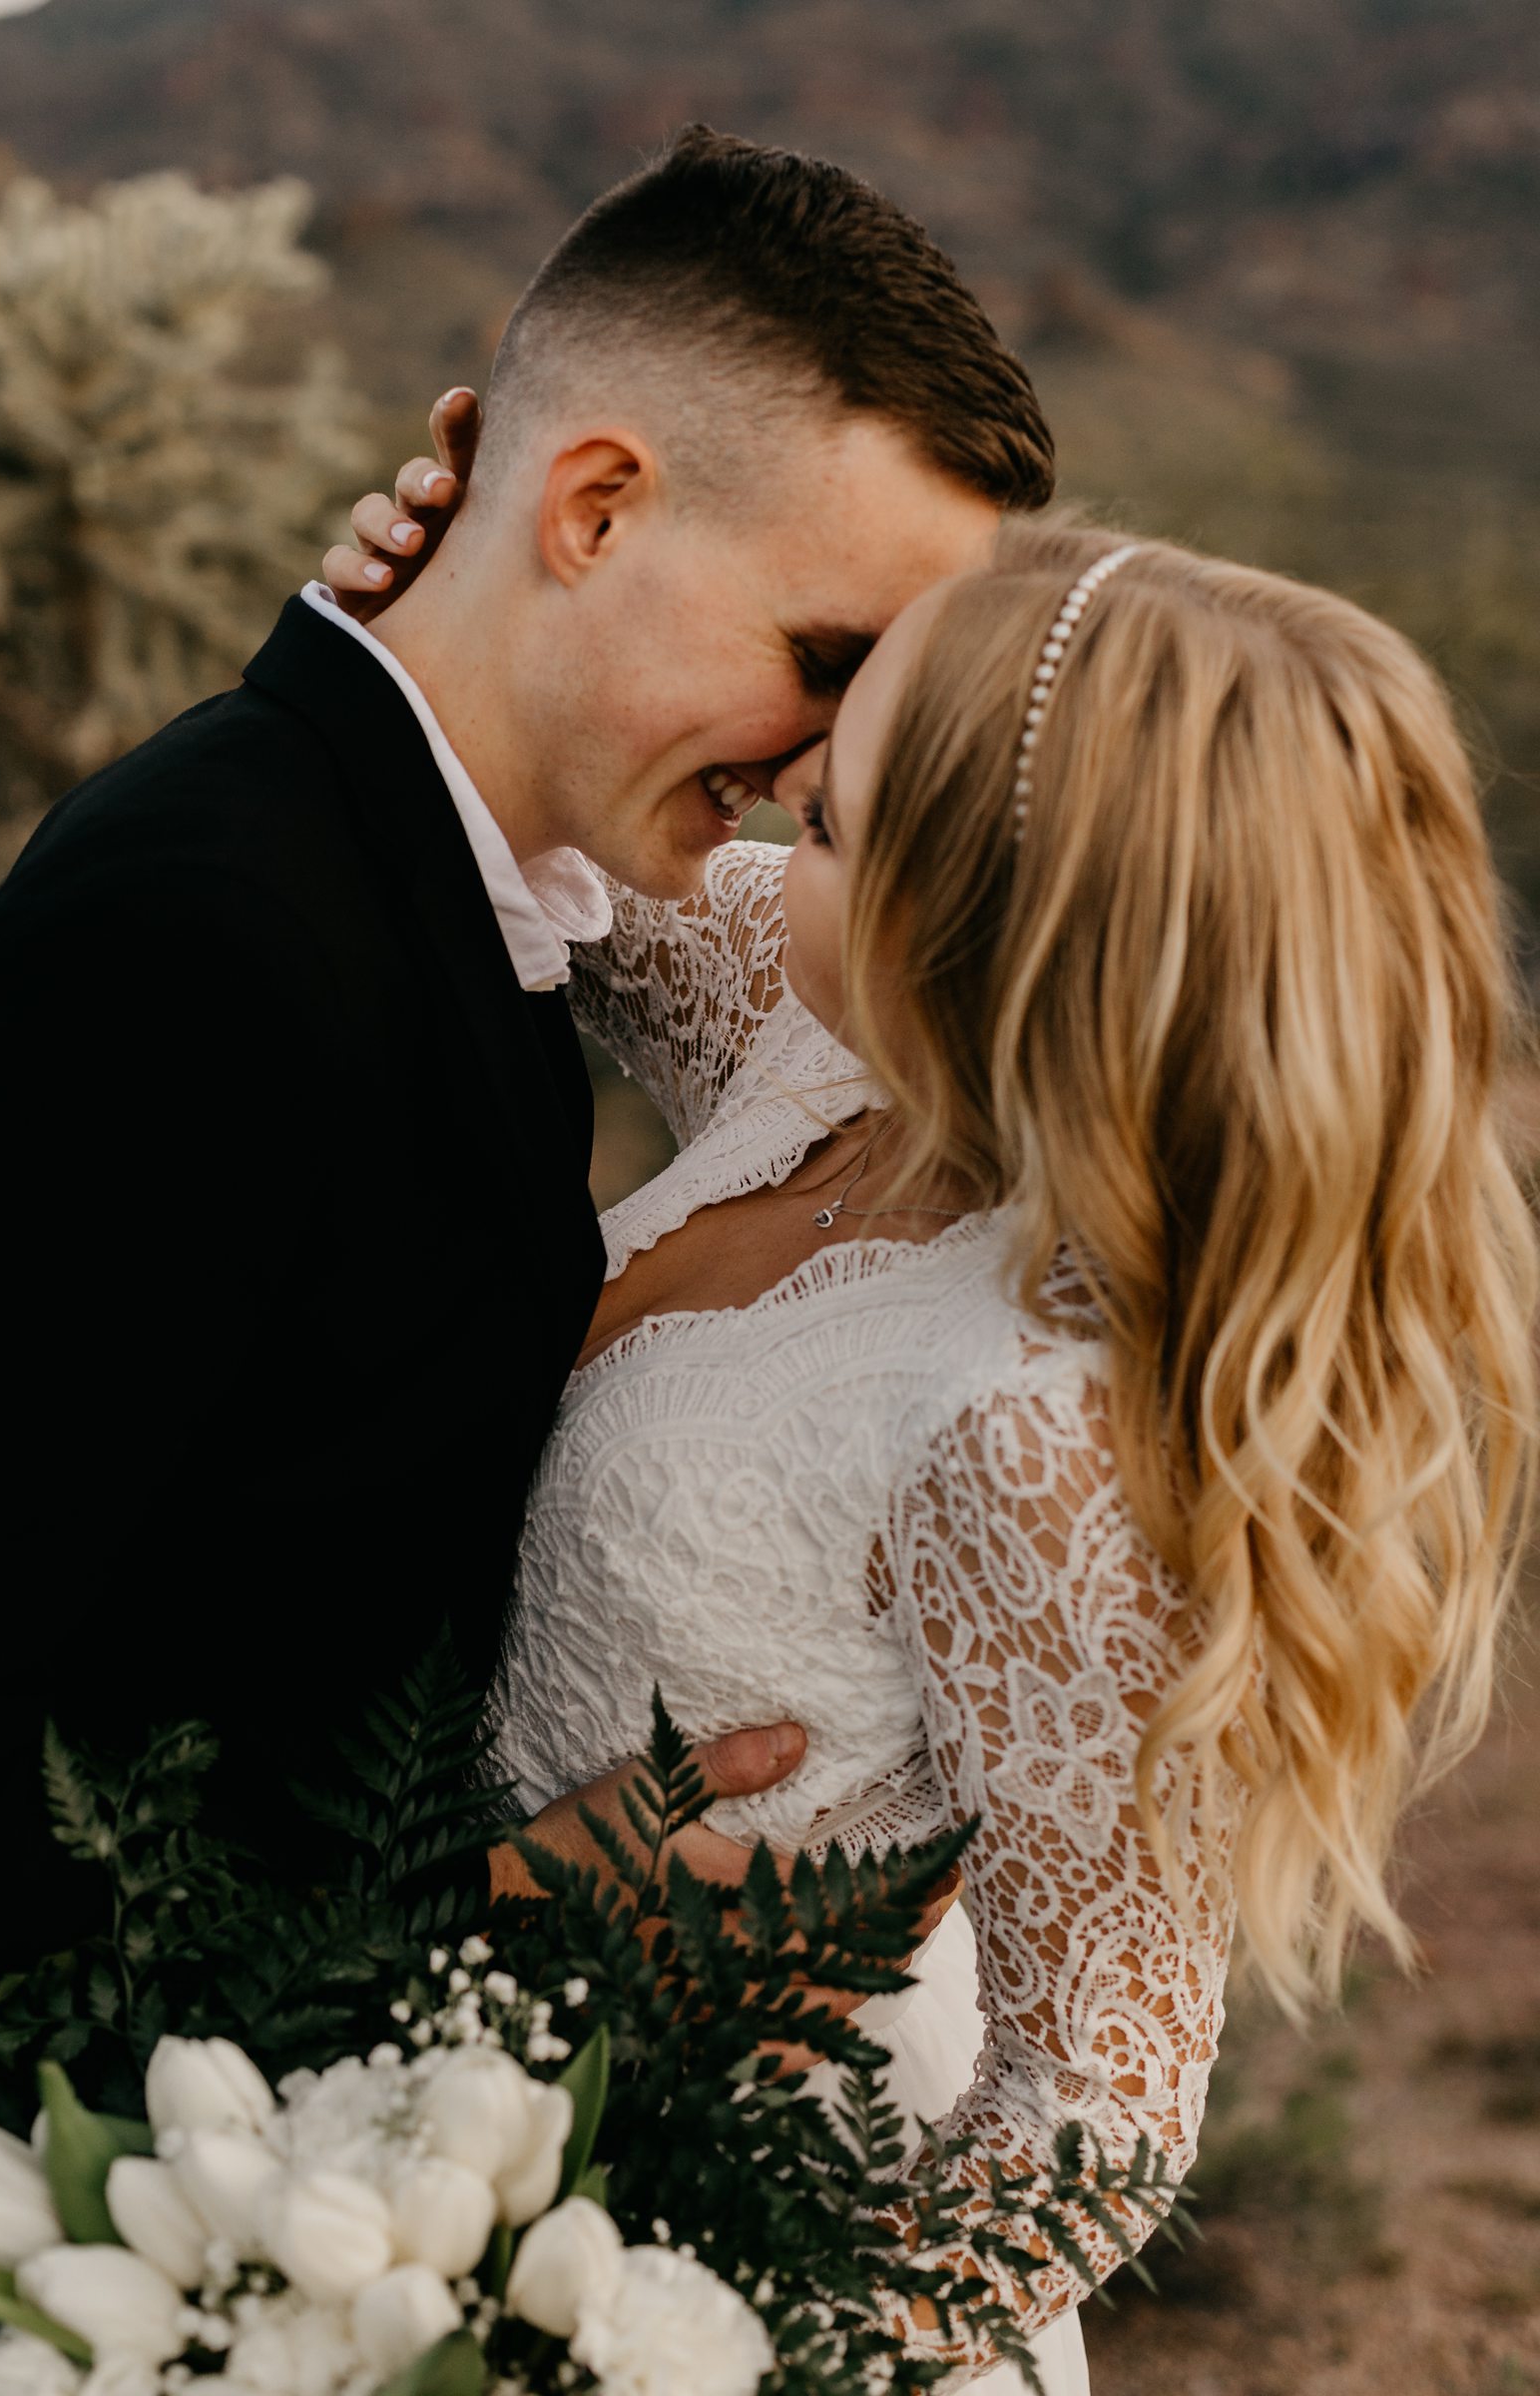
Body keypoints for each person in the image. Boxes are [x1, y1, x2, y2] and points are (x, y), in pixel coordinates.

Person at [337, 487, 1537, 2385]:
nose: (776, 805)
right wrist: (435, 609)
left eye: (829, 819)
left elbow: (1099, 2116)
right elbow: (527, 801)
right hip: (418, 2108)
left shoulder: (1036, 1429)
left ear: (985, 921)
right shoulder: (825, 1041)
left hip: (715, 2245)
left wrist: (656, 2339)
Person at [0, 130, 1050, 2025]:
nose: (828, 764)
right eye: (829, 658)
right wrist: (473, 1915)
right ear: (597, 506)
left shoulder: (460, 882)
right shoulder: (207, 933)